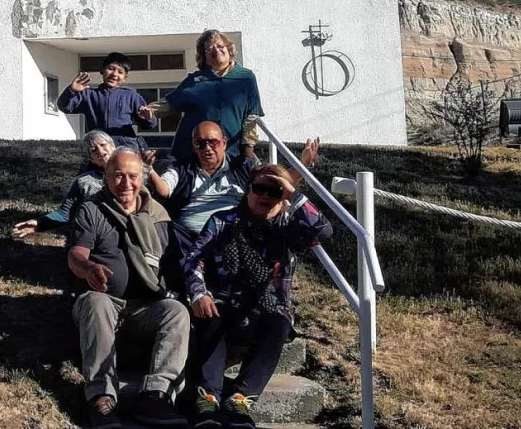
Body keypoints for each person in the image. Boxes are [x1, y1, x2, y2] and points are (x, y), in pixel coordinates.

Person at [182, 164, 332, 429]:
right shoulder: (222, 222)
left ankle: (241, 398)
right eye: (259, 188)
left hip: (267, 309)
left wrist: (293, 195)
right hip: (224, 303)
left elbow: (323, 231)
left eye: (273, 191)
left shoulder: (289, 227)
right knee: (211, 313)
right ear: (247, 190)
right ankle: (208, 399)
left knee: (280, 322)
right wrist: (198, 293)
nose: (264, 195)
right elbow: (194, 259)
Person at [68, 149, 189, 428]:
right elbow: (76, 254)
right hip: (104, 301)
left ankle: (156, 396)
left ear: (142, 179)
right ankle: (101, 398)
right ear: (105, 177)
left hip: (146, 306)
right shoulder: (92, 209)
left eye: (133, 176)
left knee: (176, 312)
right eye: (118, 175)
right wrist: (88, 269)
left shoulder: (158, 215)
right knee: (95, 302)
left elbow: (172, 264)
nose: (126, 183)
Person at [147, 121, 319, 243]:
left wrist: (302, 165)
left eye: (212, 142)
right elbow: (164, 189)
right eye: (200, 143)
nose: (207, 148)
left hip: (233, 235)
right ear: (194, 146)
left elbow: (276, 182)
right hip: (187, 236)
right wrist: (149, 169)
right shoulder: (181, 167)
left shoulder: (242, 166)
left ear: (224, 143)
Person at [140, 30, 263, 164]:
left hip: (231, 151)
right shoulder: (195, 80)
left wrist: (248, 146)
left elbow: (251, 115)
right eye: (209, 48)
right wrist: (148, 111)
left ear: (229, 49)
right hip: (193, 152)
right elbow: (169, 103)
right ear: (204, 56)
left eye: (220, 46)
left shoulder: (245, 77)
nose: (216, 50)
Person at [12, 130, 115, 238]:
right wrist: (39, 224)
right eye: (93, 150)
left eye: (103, 145)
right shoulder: (84, 182)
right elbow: (64, 213)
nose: (99, 150)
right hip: (98, 238)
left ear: (113, 146)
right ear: (91, 159)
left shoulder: (133, 172)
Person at [57, 52, 157, 152]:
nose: (114, 74)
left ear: (125, 77)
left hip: (125, 149)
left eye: (120, 72)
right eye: (110, 69)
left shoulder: (131, 96)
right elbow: (65, 107)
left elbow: (149, 125)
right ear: (102, 70)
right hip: (98, 149)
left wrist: (149, 117)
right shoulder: (89, 95)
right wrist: (72, 90)